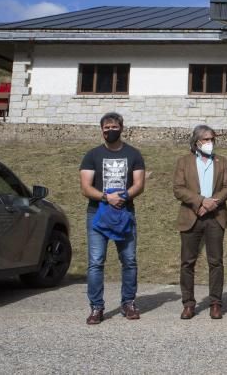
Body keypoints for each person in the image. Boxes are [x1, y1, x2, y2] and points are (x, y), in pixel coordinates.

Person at [78, 112, 146, 325]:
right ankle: (96, 307)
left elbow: (139, 184)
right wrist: (107, 197)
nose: (110, 131)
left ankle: (128, 303)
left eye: (113, 127)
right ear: (101, 130)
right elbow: (86, 187)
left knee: (129, 261)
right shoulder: (92, 155)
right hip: (97, 214)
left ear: (121, 128)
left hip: (124, 213)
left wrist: (123, 196)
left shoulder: (133, 154)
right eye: (106, 128)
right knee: (96, 263)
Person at [173, 125, 227, 320]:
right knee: (187, 262)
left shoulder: (222, 162)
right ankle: (188, 303)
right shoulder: (184, 162)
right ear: (197, 142)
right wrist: (199, 201)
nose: (210, 143)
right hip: (192, 216)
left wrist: (210, 204)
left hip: (215, 217)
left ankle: (216, 303)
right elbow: (179, 188)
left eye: (212, 139)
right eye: (206, 139)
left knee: (216, 262)